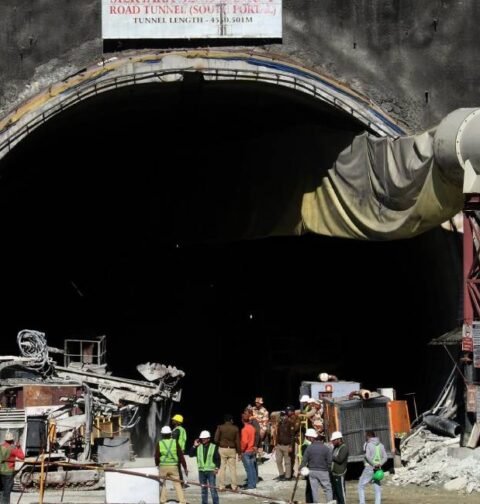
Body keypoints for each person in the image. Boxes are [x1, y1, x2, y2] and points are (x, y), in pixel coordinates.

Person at [298, 428, 333, 503]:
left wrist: (300, 468)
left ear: (311, 438)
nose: (308, 439)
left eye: (308, 437)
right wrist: (328, 469)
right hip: (323, 471)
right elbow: (330, 461)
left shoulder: (309, 448)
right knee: (327, 489)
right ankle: (330, 502)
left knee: (314, 490)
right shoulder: (326, 448)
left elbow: (304, 460)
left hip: (312, 472)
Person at [155, 425, 188, 504]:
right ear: (170, 434)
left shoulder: (159, 443)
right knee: (177, 483)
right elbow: (181, 456)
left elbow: (156, 456)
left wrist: (157, 464)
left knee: (163, 484)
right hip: (174, 466)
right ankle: (182, 501)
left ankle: (163, 501)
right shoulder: (175, 442)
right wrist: (185, 467)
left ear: (162, 434)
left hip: (163, 466)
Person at [190, 430, 220, 504]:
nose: (203, 440)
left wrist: (217, 468)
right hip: (201, 471)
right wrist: (194, 446)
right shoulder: (198, 447)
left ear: (208, 439)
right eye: (202, 438)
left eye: (204, 438)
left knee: (213, 489)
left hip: (210, 471)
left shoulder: (213, 447)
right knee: (203, 489)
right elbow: (190, 454)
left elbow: (217, 458)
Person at [358, 430, 387, 504]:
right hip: (378, 469)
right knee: (377, 488)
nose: (365, 438)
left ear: (368, 437)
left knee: (361, 486)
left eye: (366, 437)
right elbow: (385, 457)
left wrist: (374, 464)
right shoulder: (381, 445)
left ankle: (362, 503)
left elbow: (367, 456)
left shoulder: (368, 444)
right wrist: (380, 464)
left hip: (369, 468)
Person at [214, 413, 240, 491]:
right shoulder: (235, 428)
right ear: (231, 420)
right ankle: (234, 486)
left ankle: (222, 486)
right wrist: (240, 452)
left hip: (222, 449)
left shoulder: (220, 427)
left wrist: (221, 442)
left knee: (222, 468)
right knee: (233, 469)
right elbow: (237, 441)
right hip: (232, 449)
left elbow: (215, 439)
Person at [0, 431, 25, 504]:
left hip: (0, 471)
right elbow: (22, 457)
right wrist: (19, 447)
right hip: (8, 472)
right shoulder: (13, 449)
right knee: (6, 492)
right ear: (12, 440)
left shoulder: (0, 447)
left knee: (1, 490)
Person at [273, 410, 295, 481]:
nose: (282, 417)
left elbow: (292, 436)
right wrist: (275, 445)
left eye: (284, 415)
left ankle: (288, 476)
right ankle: (281, 474)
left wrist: (291, 446)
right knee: (278, 460)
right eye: (281, 416)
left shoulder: (290, 424)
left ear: (286, 416)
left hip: (287, 445)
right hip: (279, 445)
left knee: (287, 461)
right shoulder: (279, 423)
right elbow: (277, 434)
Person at [330, 431, 348, 504]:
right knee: (336, 494)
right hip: (334, 474)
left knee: (341, 493)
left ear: (338, 439)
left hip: (340, 474)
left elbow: (340, 459)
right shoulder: (335, 448)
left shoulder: (344, 448)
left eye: (334, 440)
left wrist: (331, 456)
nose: (333, 442)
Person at [240, 412, 256, 489]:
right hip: (252, 450)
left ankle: (250, 485)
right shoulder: (252, 428)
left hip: (246, 451)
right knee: (252, 468)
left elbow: (244, 441)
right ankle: (253, 484)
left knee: (248, 469)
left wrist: (241, 450)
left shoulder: (244, 429)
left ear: (242, 420)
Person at [171, 414, 188, 487]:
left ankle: (180, 483)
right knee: (178, 467)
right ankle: (181, 483)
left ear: (177, 421)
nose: (172, 421)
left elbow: (174, 440)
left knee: (177, 467)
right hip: (180, 449)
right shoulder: (182, 429)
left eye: (174, 420)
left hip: (177, 450)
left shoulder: (177, 430)